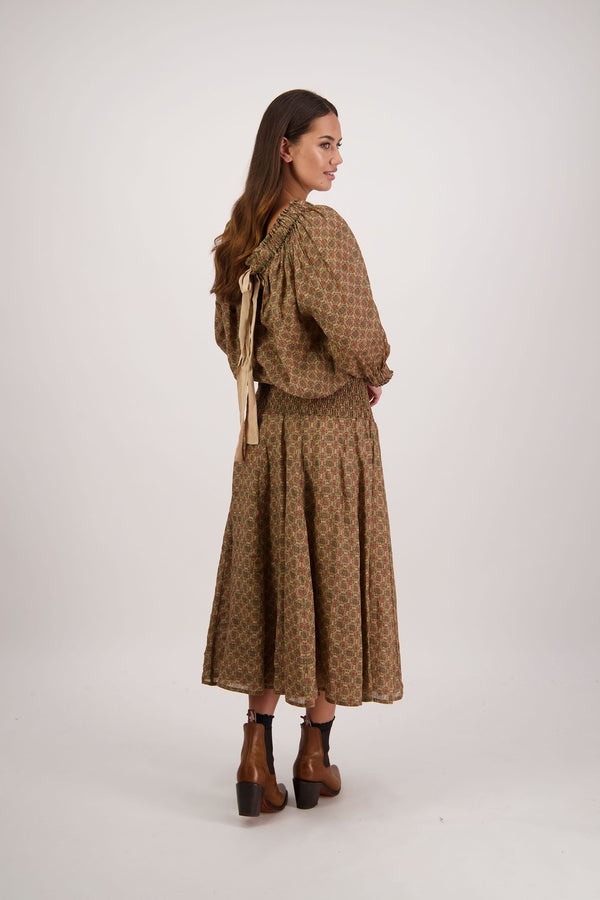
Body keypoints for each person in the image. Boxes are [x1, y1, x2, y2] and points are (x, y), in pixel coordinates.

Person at [202, 89, 403, 817]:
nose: (337, 158)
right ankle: (314, 754)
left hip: (265, 434)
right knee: (331, 579)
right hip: (330, 434)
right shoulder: (319, 231)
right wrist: (372, 373)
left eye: (339, 145)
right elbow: (359, 332)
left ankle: (254, 754)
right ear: (285, 148)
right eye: (325, 142)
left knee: (276, 581)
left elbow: (230, 342)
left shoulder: (240, 236)